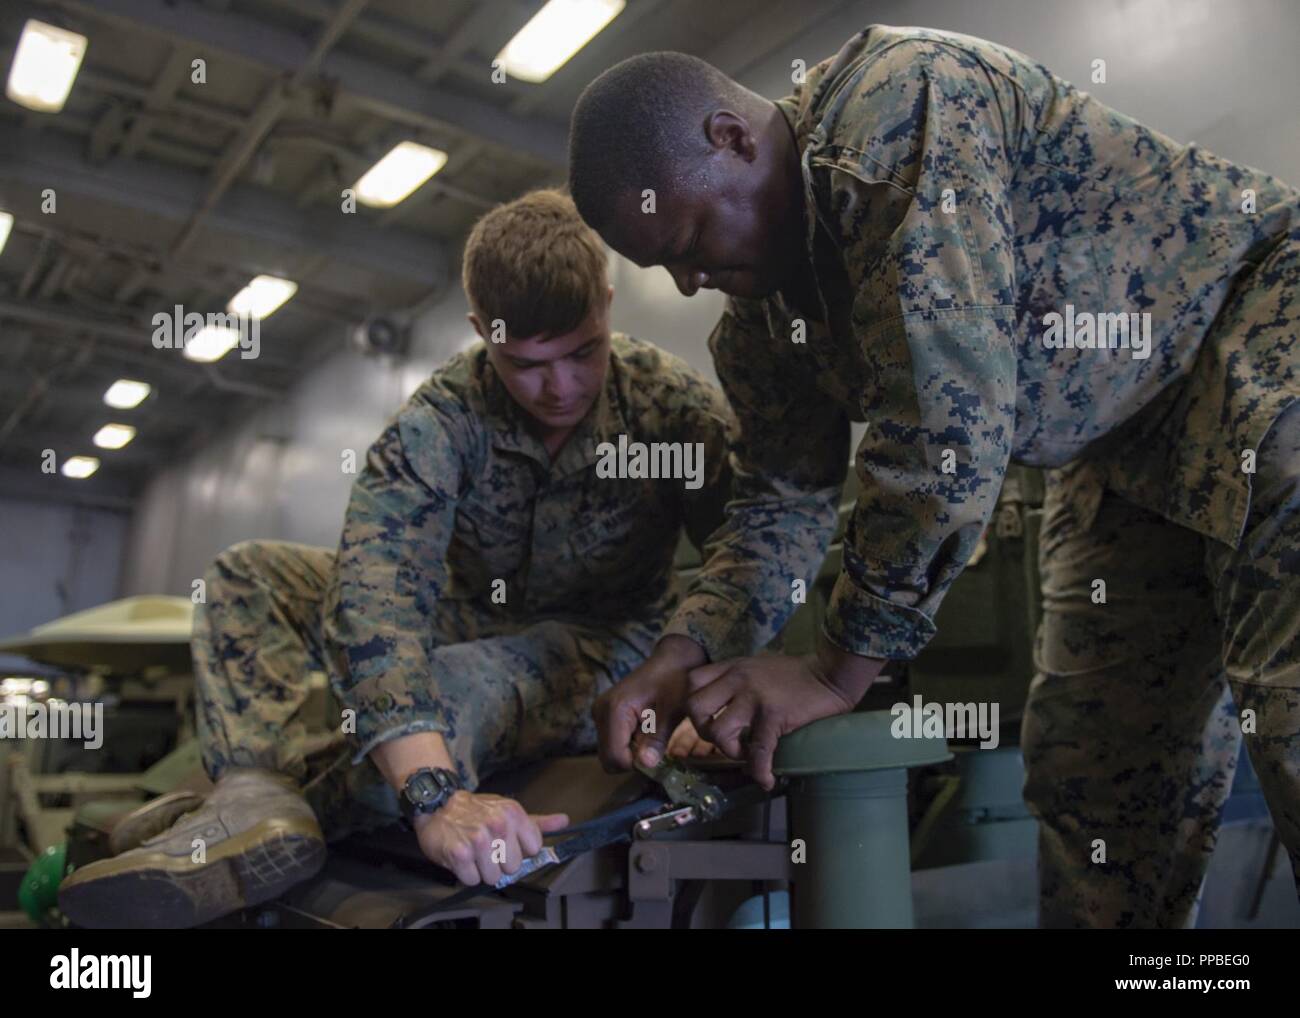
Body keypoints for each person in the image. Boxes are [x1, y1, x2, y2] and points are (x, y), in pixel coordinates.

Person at [567, 26, 1300, 928]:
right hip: (1119, 450)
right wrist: (684, 654)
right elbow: (778, 507)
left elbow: (947, 425)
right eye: (664, 268)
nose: (688, 283)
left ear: (733, 136)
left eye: (689, 240)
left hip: (1264, 329)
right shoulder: (763, 324)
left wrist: (837, 673)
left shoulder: (896, 110)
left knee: (1292, 708)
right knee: (1098, 772)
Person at [57, 189, 733, 928]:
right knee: (247, 574)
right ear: (483, 332)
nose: (561, 387)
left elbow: (746, 552)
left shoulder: (671, 410)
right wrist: (436, 798)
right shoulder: (442, 417)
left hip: (598, 648)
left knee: (431, 713)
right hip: (467, 612)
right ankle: (248, 798)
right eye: (526, 364)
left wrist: (707, 688)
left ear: (607, 304)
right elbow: (374, 585)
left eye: (583, 352)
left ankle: (235, 831)